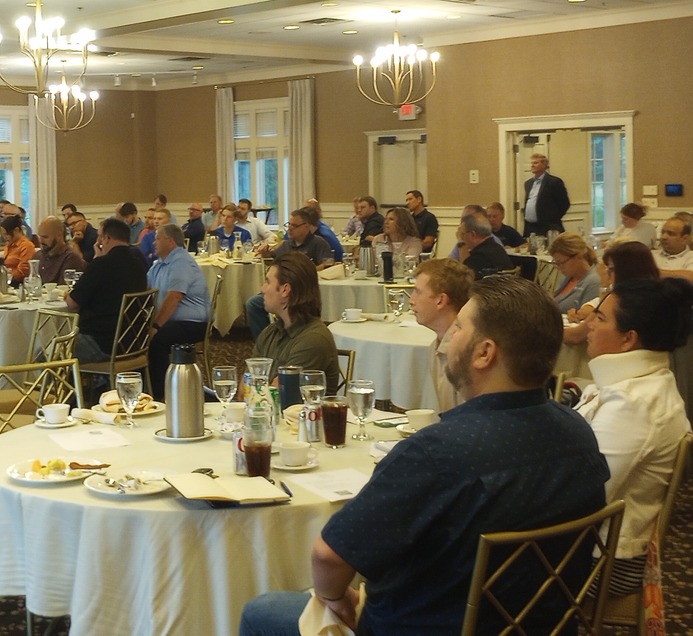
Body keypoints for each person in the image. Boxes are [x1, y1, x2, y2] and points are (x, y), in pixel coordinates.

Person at [238, 275, 608, 636]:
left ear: (485, 353)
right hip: (543, 623)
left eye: (459, 328)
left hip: (426, 624)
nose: (449, 337)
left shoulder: (437, 452)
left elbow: (328, 556)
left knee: (262, 612)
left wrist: (332, 598)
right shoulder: (579, 433)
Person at [576, 277, 693, 593]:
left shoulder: (634, 404)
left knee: (461, 569)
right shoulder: (637, 383)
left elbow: (582, 494)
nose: (588, 323)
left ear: (629, 339)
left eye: (599, 318)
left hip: (601, 564)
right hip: (589, 546)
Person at [66, 217, 149, 365]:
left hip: (102, 344)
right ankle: (94, 384)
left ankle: (74, 388)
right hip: (135, 341)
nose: (97, 241)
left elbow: (72, 303)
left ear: (107, 238)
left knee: (44, 353)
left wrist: (97, 260)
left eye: (99, 236)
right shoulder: (139, 262)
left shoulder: (101, 265)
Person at [246, 208, 336, 339]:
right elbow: (274, 264)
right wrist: (266, 254)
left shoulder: (318, 243)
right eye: (289, 224)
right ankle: (265, 340)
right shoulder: (287, 245)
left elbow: (329, 264)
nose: (290, 229)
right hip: (282, 290)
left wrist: (303, 271)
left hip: (304, 292)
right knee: (253, 303)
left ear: (306, 227)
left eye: (294, 225)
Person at [252, 253, 338, 385]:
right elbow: (244, 391)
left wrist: (256, 389)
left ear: (285, 290)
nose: (262, 289)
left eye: (268, 282)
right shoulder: (270, 333)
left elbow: (277, 396)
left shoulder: (313, 340)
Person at [145, 224, 210, 396]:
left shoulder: (181, 262)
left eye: (157, 238)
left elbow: (174, 297)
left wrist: (155, 326)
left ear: (171, 241)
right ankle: (145, 388)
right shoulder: (160, 264)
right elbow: (145, 290)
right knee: (134, 336)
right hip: (172, 321)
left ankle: (161, 395)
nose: (154, 243)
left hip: (193, 323)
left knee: (157, 340)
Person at [409, 258, 475, 412]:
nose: (411, 300)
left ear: (441, 300)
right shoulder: (437, 345)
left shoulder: (464, 351)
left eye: (418, 292)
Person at [548, 233, 601, 314]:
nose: (559, 267)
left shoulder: (594, 281)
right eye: (556, 263)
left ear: (578, 256)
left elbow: (587, 318)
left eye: (561, 262)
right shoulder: (567, 277)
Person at [522, 152, 570, 236]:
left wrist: (553, 219)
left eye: (535, 163)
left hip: (548, 227)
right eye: (532, 163)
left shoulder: (554, 182)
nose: (532, 165)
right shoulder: (528, 183)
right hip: (530, 227)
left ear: (544, 165)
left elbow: (564, 204)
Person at [654, 216, 693, 287]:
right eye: (663, 232)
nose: (664, 237)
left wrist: (651, 273)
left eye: (671, 234)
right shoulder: (651, 255)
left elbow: (690, 278)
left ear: (685, 239)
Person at [456, 213, 511, 278]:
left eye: (462, 234)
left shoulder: (480, 256)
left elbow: (464, 277)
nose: (462, 237)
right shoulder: (498, 248)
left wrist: (461, 243)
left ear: (473, 235)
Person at [34, 216, 85, 284]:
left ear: (59, 234)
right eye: (39, 236)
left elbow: (64, 289)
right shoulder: (38, 256)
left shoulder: (70, 258)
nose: (40, 241)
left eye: (45, 237)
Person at [0, 214, 36, 285]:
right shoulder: (9, 245)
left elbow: (23, 271)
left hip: (18, 282)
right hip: (7, 279)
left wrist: (5, 277)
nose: (5, 237)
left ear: (16, 230)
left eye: (6, 234)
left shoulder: (26, 246)